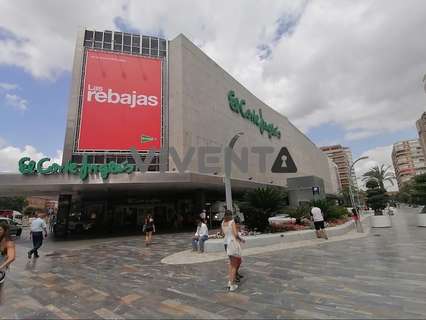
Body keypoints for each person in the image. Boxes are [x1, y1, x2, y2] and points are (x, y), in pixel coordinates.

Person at [222, 210, 244, 292]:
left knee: (231, 264)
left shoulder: (223, 223)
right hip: (233, 243)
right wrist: (241, 240)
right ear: (230, 215)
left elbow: (223, 234)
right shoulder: (232, 222)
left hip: (226, 243)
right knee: (234, 265)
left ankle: (230, 282)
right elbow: (235, 234)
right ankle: (232, 285)